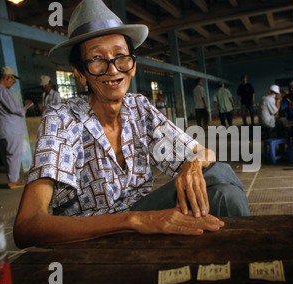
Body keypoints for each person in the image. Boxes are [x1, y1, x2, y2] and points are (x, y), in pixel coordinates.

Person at [13, 0, 249, 249]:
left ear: (133, 65)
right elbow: (27, 227)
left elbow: (204, 154)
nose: (112, 70)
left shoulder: (139, 107)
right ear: (80, 73)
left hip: (142, 219)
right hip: (89, 239)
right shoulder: (61, 118)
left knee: (221, 186)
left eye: (120, 56)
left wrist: (192, 164)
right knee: (220, 182)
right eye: (96, 59)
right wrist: (134, 220)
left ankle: (247, 261)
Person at [0, 66, 26, 189]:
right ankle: (13, 180)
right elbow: (13, 109)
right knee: (13, 155)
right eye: (12, 80)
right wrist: (22, 110)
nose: (13, 83)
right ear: (7, 78)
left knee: (6, 155)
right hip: (10, 129)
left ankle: (12, 178)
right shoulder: (2, 91)